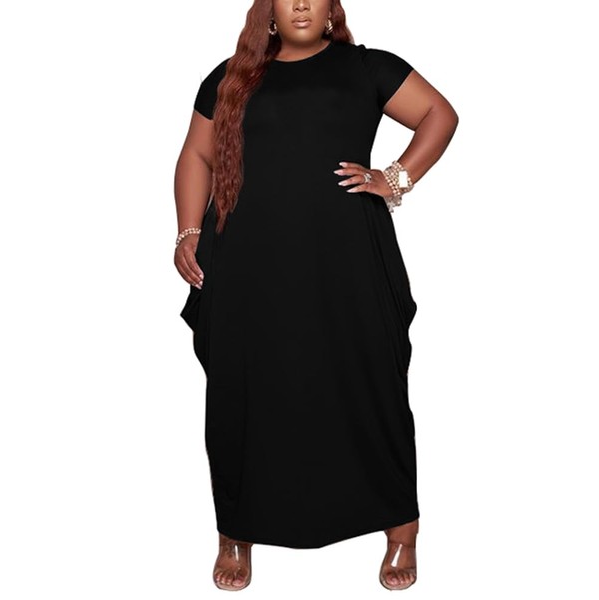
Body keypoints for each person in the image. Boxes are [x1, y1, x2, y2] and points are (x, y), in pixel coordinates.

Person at [173, 0, 458, 592]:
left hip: (347, 262)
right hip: (249, 266)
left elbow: (439, 113)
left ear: (331, 6)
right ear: (268, 9)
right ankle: (236, 531)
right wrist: (188, 231)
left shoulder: (368, 68)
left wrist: (394, 179)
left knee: (371, 383)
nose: (300, 2)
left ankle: (401, 529)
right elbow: (197, 154)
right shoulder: (229, 76)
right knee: (242, 391)